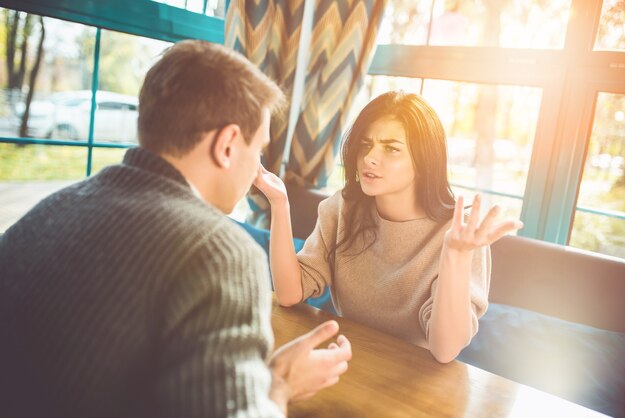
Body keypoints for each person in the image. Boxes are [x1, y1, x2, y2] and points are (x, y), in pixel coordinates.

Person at [0, 40, 351, 418]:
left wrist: (245, 382)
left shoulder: (50, 209)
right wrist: (280, 387)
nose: (256, 171)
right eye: (258, 150)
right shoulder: (218, 252)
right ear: (229, 144)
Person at [254, 90, 523, 364]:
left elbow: (445, 350)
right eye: (366, 144)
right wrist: (280, 203)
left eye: (391, 148)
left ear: (424, 160)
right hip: (348, 362)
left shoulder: (461, 234)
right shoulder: (342, 209)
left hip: (414, 382)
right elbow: (289, 294)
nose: (370, 158)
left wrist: (455, 254)